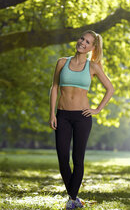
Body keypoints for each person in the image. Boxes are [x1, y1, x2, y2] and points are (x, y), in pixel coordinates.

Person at [49, 30, 114, 209]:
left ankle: (71, 199)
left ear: (92, 47)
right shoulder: (62, 62)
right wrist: (52, 113)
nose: (83, 43)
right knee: (62, 157)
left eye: (88, 42)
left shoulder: (92, 66)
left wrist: (97, 109)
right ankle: (74, 197)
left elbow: (110, 89)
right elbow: (54, 87)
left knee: (78, 159)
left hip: (82, 118)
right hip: (62, 116)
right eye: (82, 39)